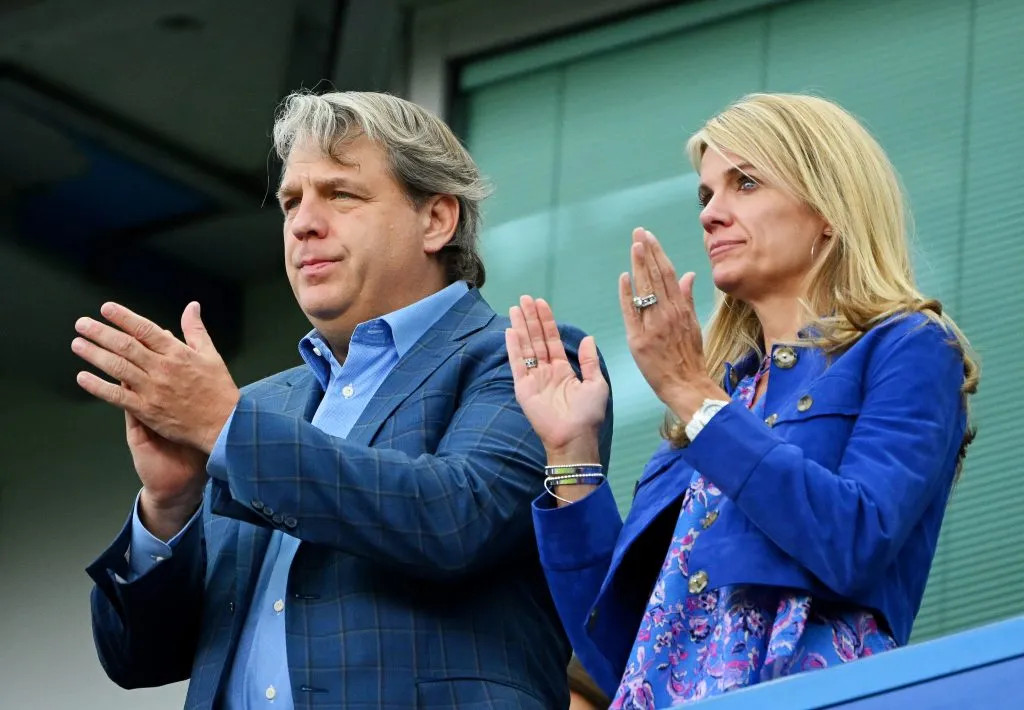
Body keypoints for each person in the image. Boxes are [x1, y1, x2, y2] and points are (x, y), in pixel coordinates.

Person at [75, 90, 613, 709]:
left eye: (341, 194)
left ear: (437, 219)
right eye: (290, 203)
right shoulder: (259, 409)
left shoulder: (531, 360)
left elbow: (454, 519)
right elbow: (136, 658)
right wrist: (168, 508)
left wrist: (225, 426)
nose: (303, 222)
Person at [506, 92, 979, 706]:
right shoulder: (723, 394)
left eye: (746, 183)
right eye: (706, 195)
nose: (710, 214)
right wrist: (573, 454)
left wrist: (692, 396)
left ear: (830, 207)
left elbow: (855, 542)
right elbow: (621, 649)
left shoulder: (910, 347)